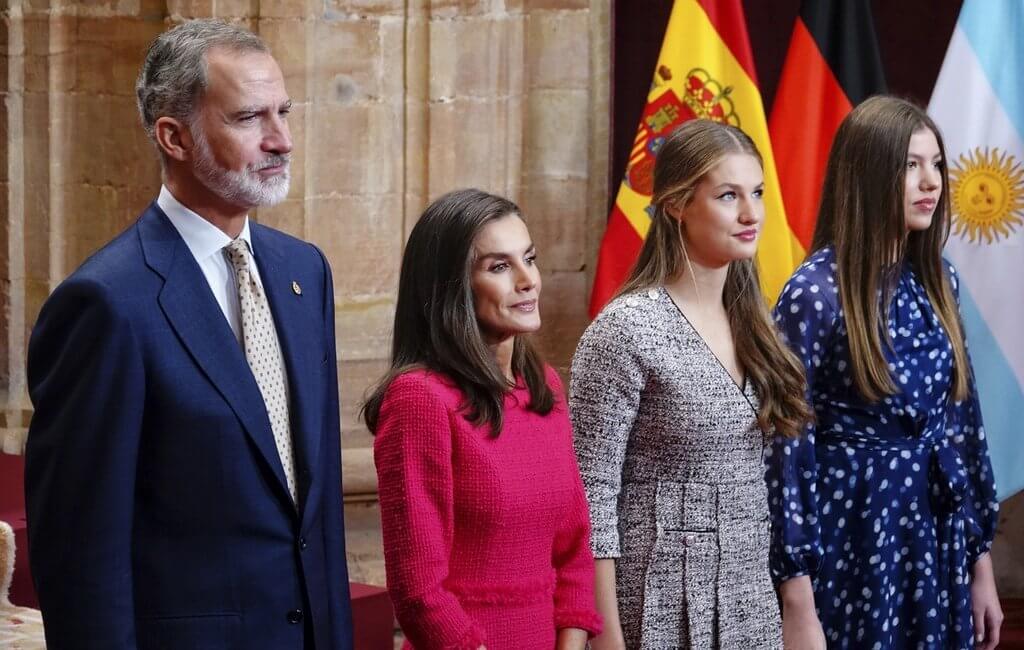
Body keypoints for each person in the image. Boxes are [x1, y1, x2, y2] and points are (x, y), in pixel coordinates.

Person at [24, 20, 353, 649]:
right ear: (174, 136)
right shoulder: (105, 303)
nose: (281, 139)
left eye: (284, 111)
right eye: (249, 118)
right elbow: (80, 553)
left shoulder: (304, 271)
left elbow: (318, 510)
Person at [769, 95, 1002, 650]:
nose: (932, 182)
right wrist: (796, 600)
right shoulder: (814, 293)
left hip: (935, 531)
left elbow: (961, 425)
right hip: (852, 531)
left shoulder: (939, 279)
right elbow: (784, 448)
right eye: (911, 165)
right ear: (868, 174)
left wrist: (980, 560)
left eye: (937, 164)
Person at [570, 119, 813, 649]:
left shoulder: (756, 322)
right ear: (677, 204)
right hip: (655, 600)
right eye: (729, 196)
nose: (752, 214)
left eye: (757, 194)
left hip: (749, 598)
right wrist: (603, 634)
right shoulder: (626, 327)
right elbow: (591, 498)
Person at [363, 189, 602, 649]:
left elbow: (574, 552)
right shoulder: (419, 399)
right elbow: (418, 591)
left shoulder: (544, 386)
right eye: (498, 266)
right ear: (452, 287)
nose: (528, 279)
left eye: (528, 258)